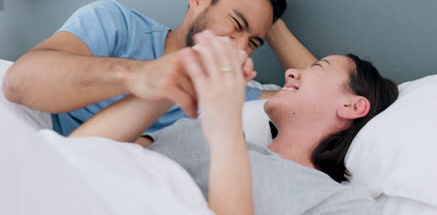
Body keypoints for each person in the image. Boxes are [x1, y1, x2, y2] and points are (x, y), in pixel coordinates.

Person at [73, 25, 399, 214]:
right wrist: (173, 84)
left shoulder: (342, 204)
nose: (291, 72)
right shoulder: (194, 130)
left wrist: (224, 127)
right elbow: (79, 155)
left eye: (317, 68)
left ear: (354, 106)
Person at [2, 0, 309, 137]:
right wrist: (137, 75)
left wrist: (269, 24)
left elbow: (323, 96)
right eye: (236, 24)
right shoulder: (115, 23)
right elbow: (18, 82)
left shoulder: (231, 90)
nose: (241, 48)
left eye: (254, 43)